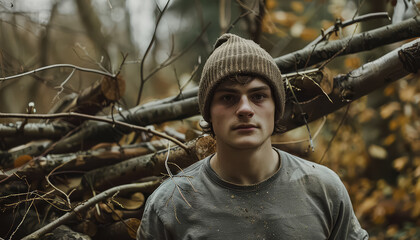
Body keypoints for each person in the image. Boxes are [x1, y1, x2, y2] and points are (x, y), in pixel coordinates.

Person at [137, 33, 368, 239]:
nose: (245, 109)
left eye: (258, 96)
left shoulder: (324, 190)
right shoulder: (171, 205)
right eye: (228, 98)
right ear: (208, 113)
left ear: (276, 108)